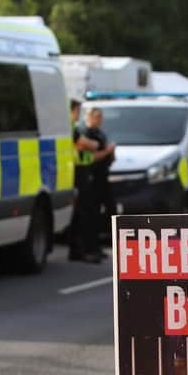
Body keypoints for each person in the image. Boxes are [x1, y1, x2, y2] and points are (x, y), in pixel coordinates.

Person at [69, 99, 106, 263]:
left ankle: (82, 250)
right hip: (77, 173)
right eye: (78, 111)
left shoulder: (73, 128)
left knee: (84, 213)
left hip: (80, 172)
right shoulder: (72, 128)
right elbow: (88, 145)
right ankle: (80, 250)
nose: (79, 114)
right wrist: (94, 145)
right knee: (82, 214)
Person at [84, 107, 116, 250]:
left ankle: (103, 242)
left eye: (100, 117)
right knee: (93, 213)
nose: (99, 120)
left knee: (110, 209)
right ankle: (93, 245)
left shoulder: (100, 134)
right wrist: (107, 151)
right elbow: (91, 157)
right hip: (93, 178)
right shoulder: (87, 134)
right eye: (96, 117)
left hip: (103, 175)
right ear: (89, 117)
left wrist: (112, 153)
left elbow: (107, 156)